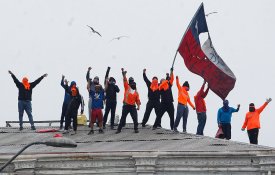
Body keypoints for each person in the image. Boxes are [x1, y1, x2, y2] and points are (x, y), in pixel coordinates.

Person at [116, 68, 141, 134]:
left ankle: (136, 129)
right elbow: (125, 80)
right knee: (123, 118)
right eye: (131, 83)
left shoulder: (136, 92)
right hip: (126, 106)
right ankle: (119, 129)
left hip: (132, 107)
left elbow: (138, 100)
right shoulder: (127, 87)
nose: (132, 84)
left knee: (135, 118)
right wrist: (124, 74)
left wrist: (138, 106)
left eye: (133, 84)